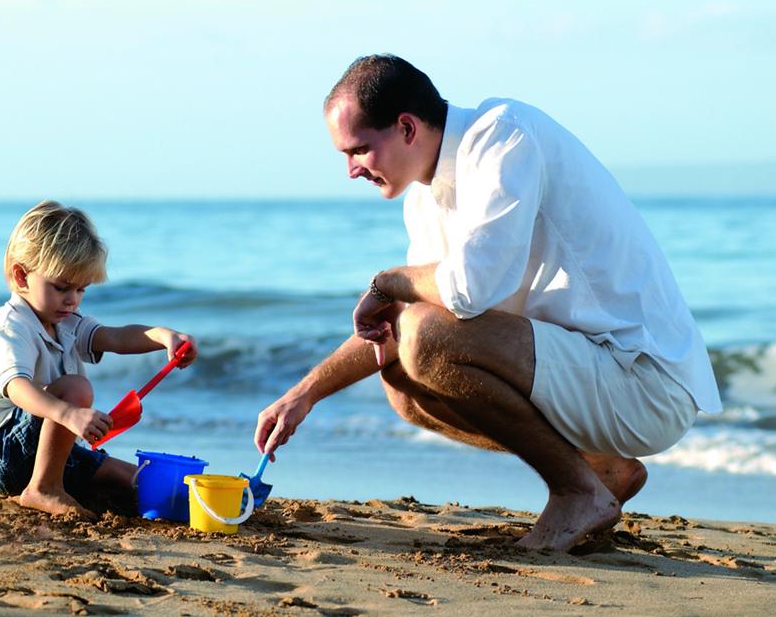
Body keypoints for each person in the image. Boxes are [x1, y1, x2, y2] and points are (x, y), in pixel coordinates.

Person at [254, 54, 721, 551]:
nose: (351, 170)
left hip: (642, 383)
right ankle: (597, 471)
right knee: (401, 381)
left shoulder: (503, 136)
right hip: (585, 373)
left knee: (426, 338)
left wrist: (389, 282)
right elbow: (401, 327)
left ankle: (576, 491)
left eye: (359, 150)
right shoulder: (424, 196)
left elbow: (467, 290)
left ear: (407, 127)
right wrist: (304, 394)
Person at [0, 200, 197, 518]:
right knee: (76, 387)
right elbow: (17, 388)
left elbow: (116, 337)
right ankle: (43, 489)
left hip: (40, 451)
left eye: (81, 290)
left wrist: (162, 337)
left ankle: (182, 495)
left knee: (130, 478)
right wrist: (69, 414)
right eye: (61, 287)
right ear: (21, 276)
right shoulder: (12, 327)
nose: (72, 300)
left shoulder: (67, 321)